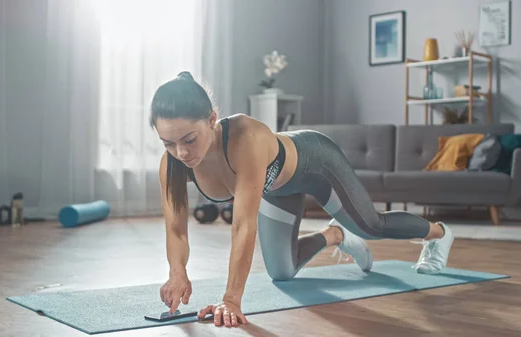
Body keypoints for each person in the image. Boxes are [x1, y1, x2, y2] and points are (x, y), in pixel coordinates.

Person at [150, 71, 454, 328]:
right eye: (168, 144)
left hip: (316, 164)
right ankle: (335, 234)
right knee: (282, 271)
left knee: (371, 226)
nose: (182, 153)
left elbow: (243, 226)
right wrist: (177, 273)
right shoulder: (173, 164)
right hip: (275, 189)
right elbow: (176, 229)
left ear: (212, 119)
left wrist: (231, 299)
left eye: (189, 139)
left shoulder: (245, 137)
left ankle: (439, 234)